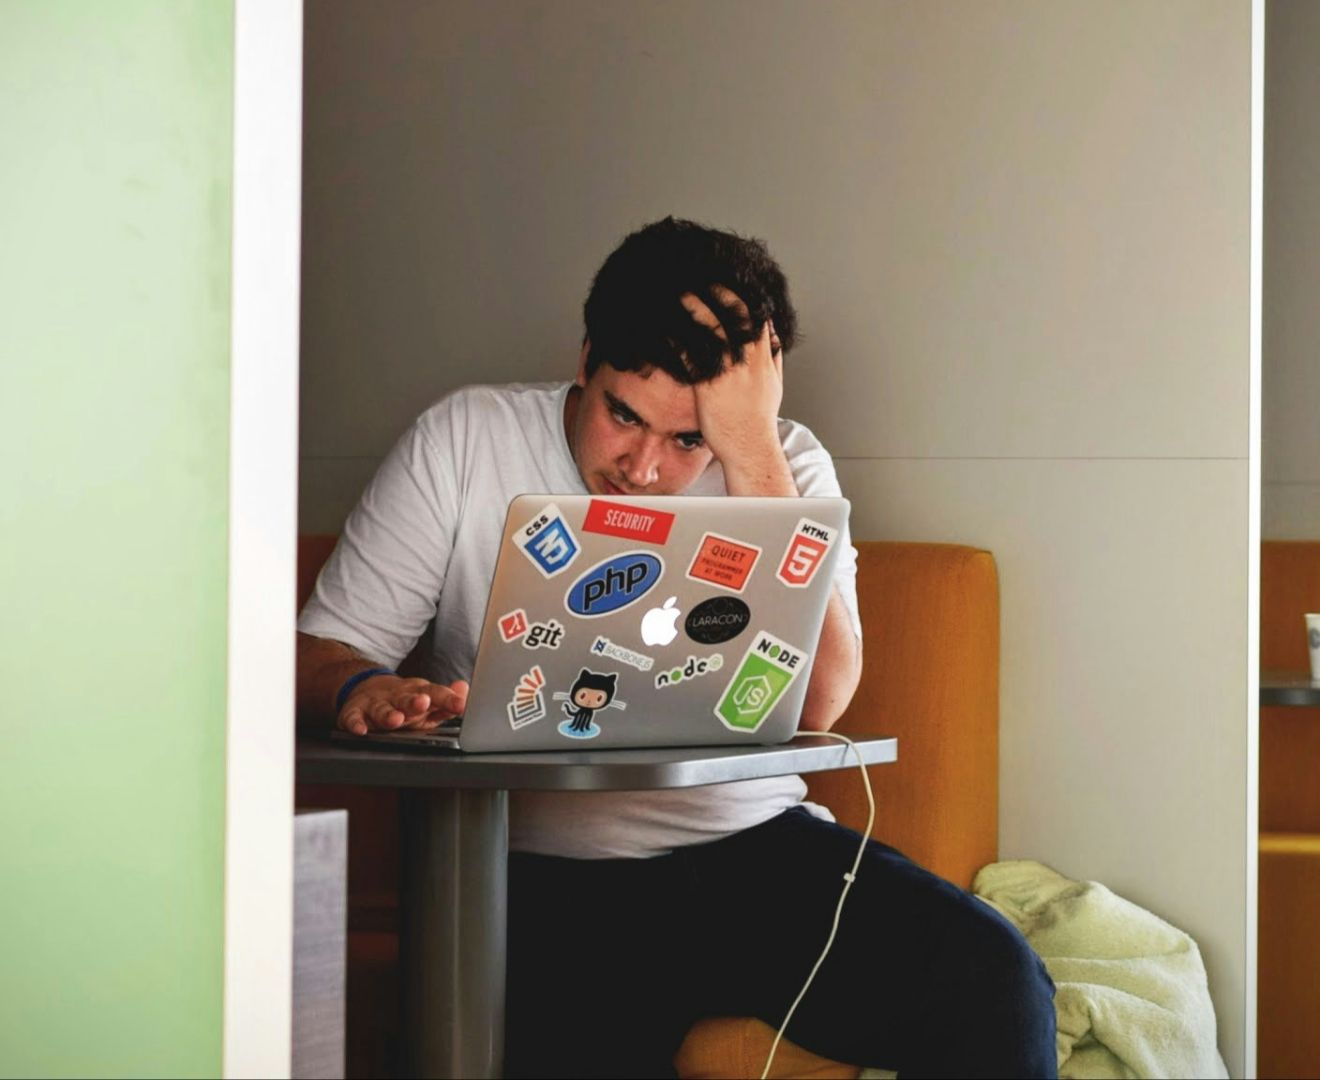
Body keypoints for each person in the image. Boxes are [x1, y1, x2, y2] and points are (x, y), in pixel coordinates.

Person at [294, 217, 1058, 1077]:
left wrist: (750, 451)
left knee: (998, 983)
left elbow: (821, 700)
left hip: (754, 851)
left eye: (688, 438)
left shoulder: (784, 464)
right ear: (586, 359)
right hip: (540, 873)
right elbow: (318, 653)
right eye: (623, 415)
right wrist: (360, 687)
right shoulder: (465, 438)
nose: (643, 467)